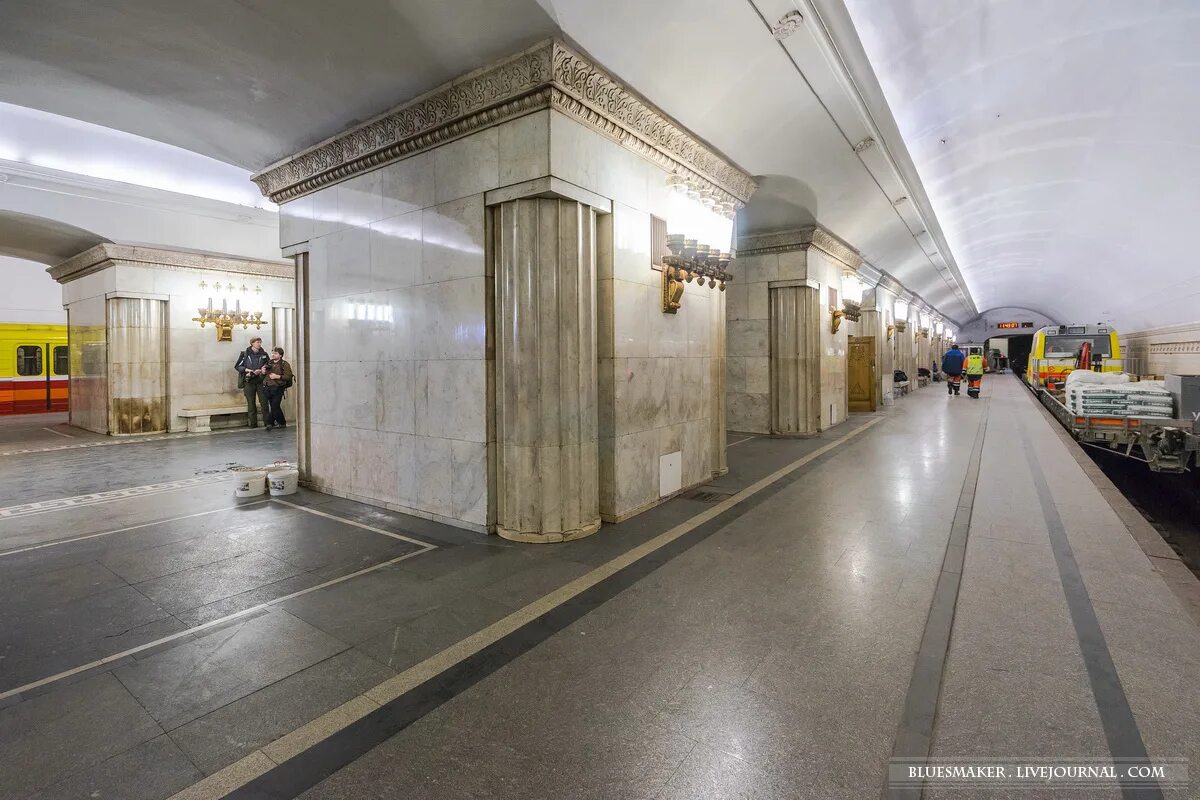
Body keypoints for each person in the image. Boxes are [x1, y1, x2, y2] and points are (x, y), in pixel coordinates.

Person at [234, 336, 270, 427]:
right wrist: (248, 370)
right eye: (257, 342)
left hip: (261, 381)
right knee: (251, 403)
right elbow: (238, 366)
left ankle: (268, 423)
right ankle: (253, 424)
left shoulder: (264, 354)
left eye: (260, 342)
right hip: (249, 381)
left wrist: (263, 369)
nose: (259, 344)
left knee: (264, 403)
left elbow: (269, 365)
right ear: (252, 343)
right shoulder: (245, 354)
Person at [262, 346, 294, 430]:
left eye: (275, 353)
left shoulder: (284, 364)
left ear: (280, 355)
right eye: (272, 353)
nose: (273, 355)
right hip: (268, 387)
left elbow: (288, 376)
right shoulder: (269, 362)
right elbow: (264, 375)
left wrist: (278, 376)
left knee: (275, 405)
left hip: (278, 387)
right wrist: (263, 371)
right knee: (272, 405)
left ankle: (279, 422)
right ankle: (272, 423)